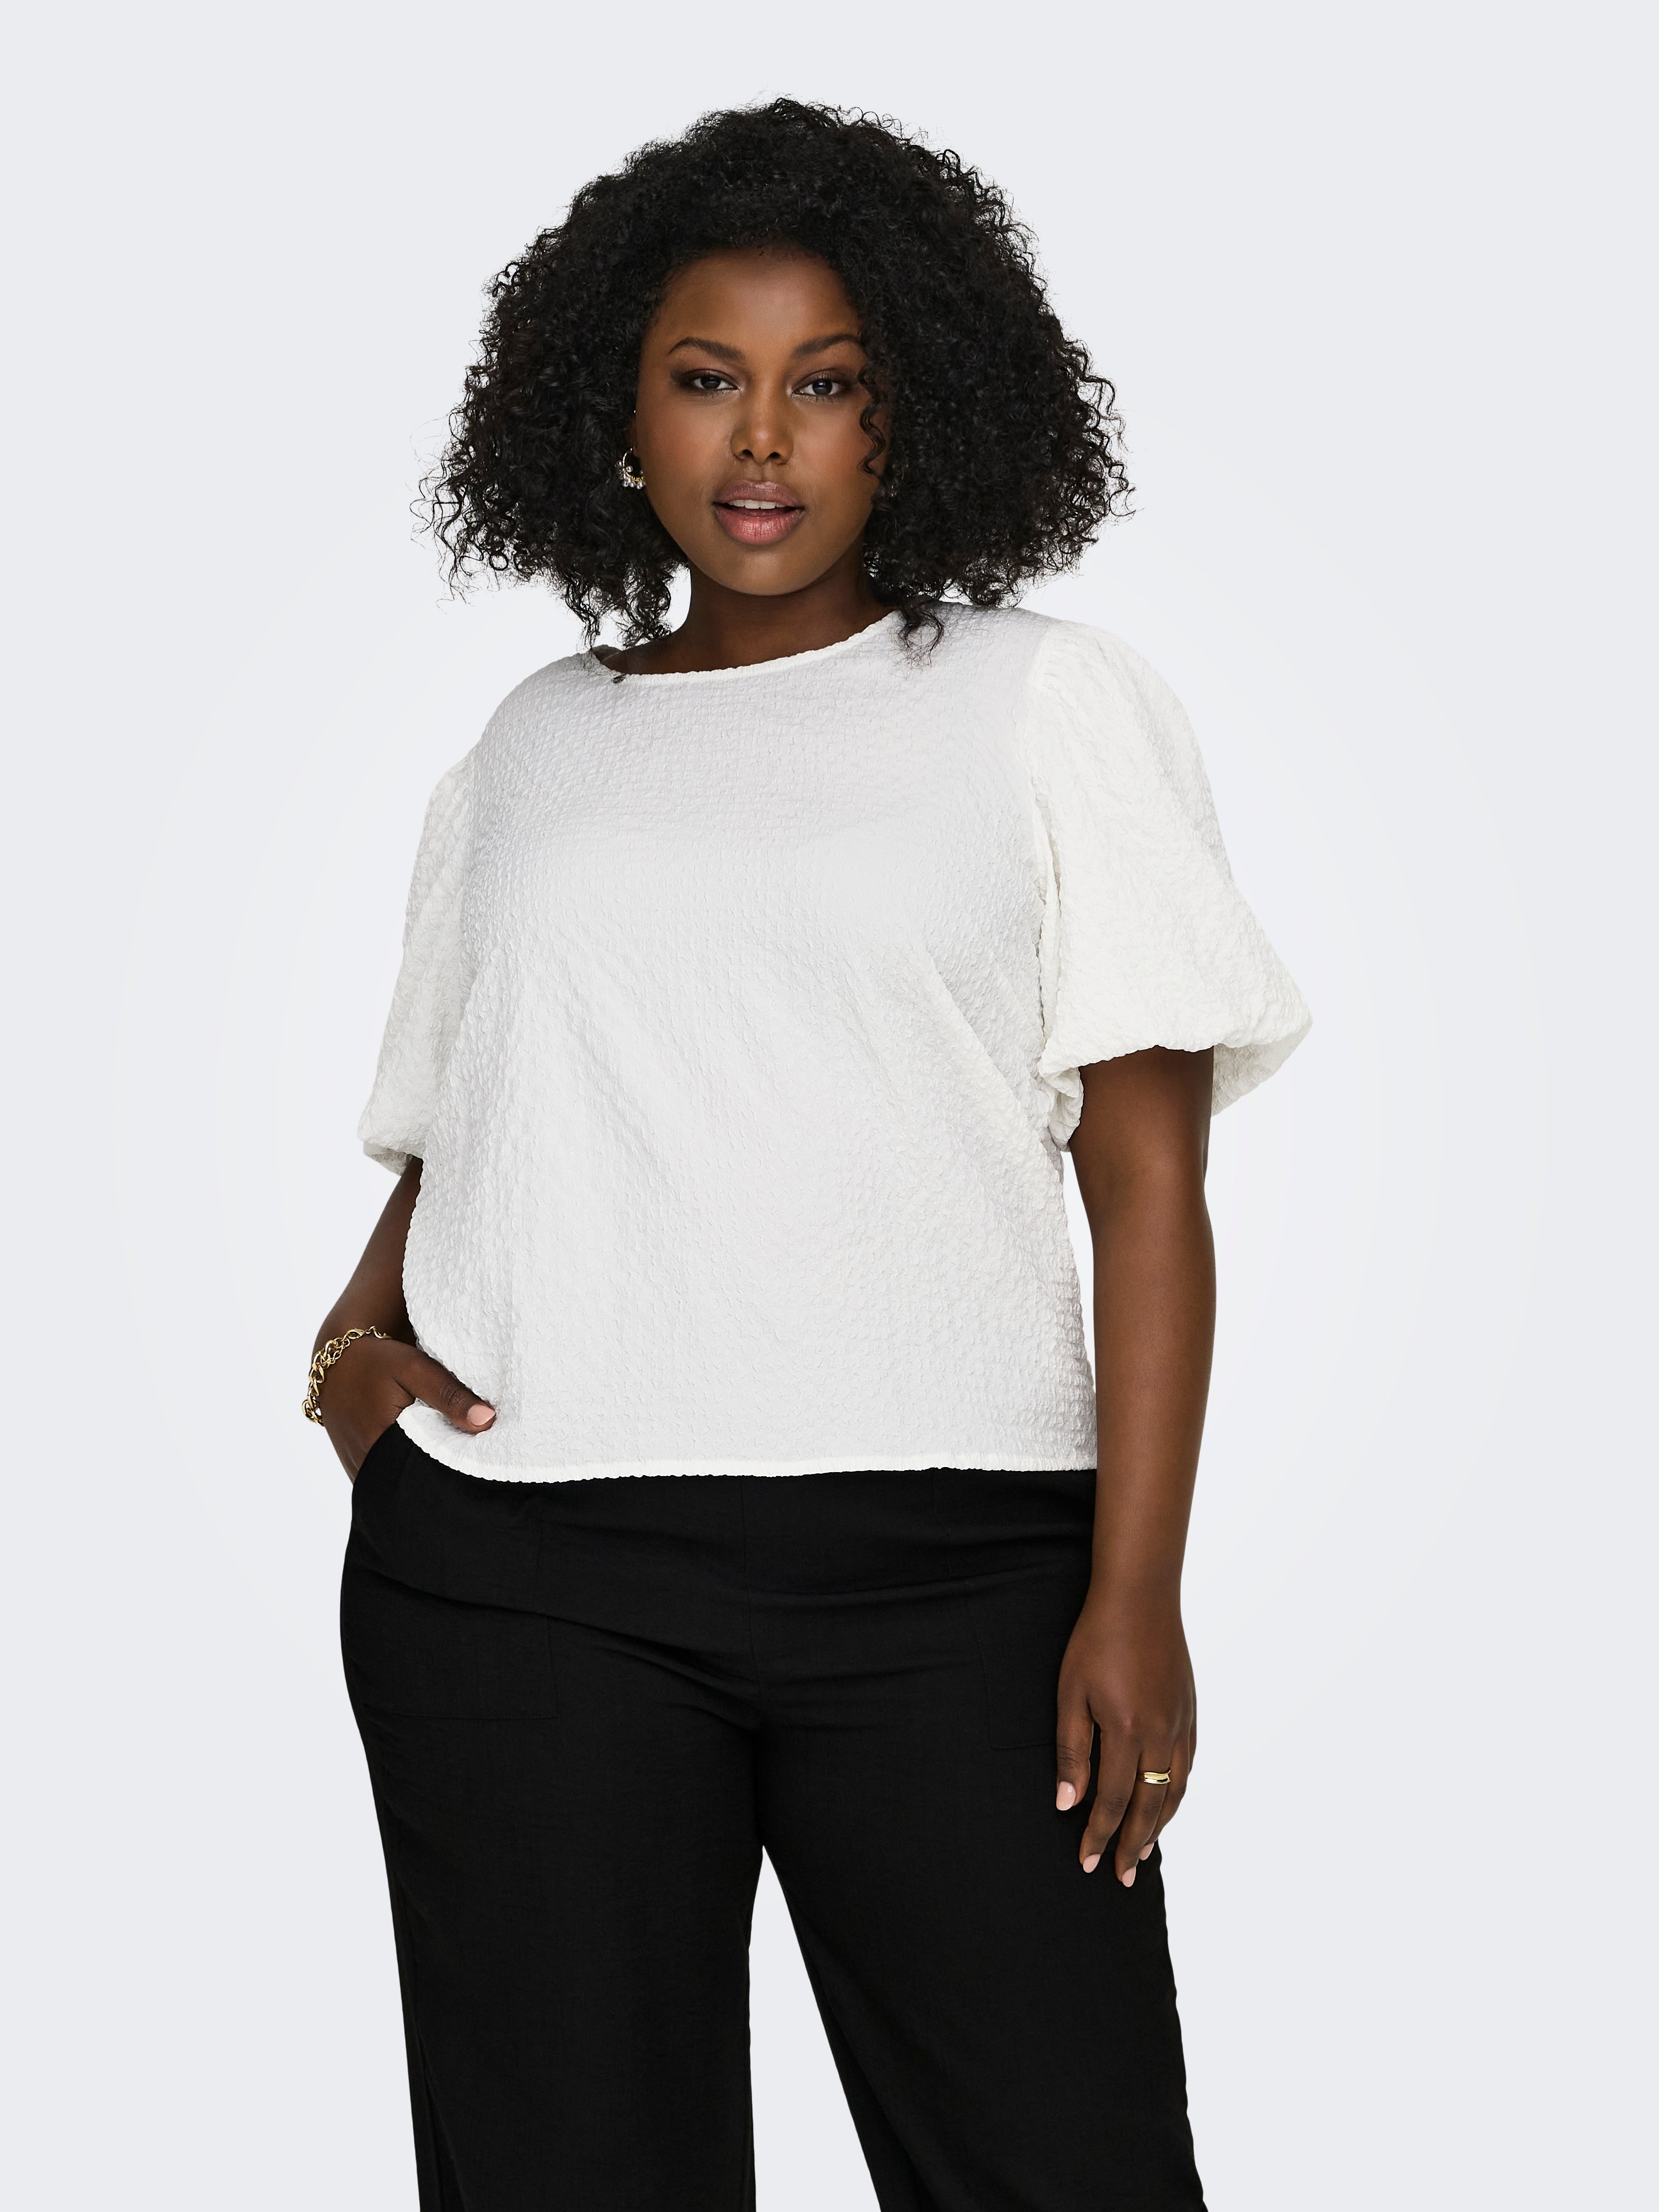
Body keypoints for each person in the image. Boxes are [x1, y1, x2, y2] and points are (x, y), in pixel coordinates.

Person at [307, 99, 1309, 2212]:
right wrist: (356, 1354)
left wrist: (1134, 1590)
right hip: (525, 1582)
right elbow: (479, 1102)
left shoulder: (1040, 703)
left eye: (826, 382)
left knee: (1064, 2164)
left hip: (955, 1581)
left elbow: (1147, 1187)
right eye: (707, 377)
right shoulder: (540, 740)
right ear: (619, 411)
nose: (761, 439)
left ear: (907, 413)